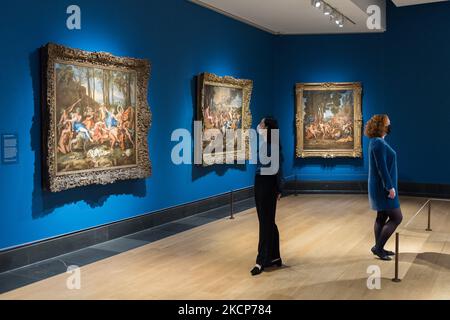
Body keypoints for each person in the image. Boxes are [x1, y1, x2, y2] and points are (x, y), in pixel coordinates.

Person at [365, 114, 403, 261]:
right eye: (388, 122)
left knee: (381, 216)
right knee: (397, 217)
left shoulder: (377, 141)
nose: (390, 124)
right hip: (383, 188)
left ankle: (378, 247)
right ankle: (378, 248)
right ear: (381, 126)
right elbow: (382, 168)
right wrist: (389, 187)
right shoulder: (378, 143)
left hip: (379, 187)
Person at [251, 117, 284, 276]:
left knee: (265, 222)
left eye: (261, 123)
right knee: (268, 222)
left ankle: (261, 260)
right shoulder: (265, 142)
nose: (259, 125)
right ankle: (274, 257)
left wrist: (278, 189)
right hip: (261, 182)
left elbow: (278, 168)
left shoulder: (272, 145)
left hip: (267, 184)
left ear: (267, 128)